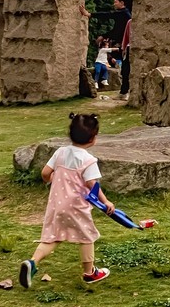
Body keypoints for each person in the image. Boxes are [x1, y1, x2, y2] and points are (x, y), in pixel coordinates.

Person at [19, 113, 114, 288]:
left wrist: (52, 179)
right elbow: (92, 184)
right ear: (93, 138)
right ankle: (89, 273)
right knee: (87, 237)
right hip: (76, 207)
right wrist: (106, 201)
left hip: (56, 204)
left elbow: (45, 174)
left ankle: (32, 262)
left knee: (52, 237)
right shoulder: (88, 160)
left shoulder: (60, 152)